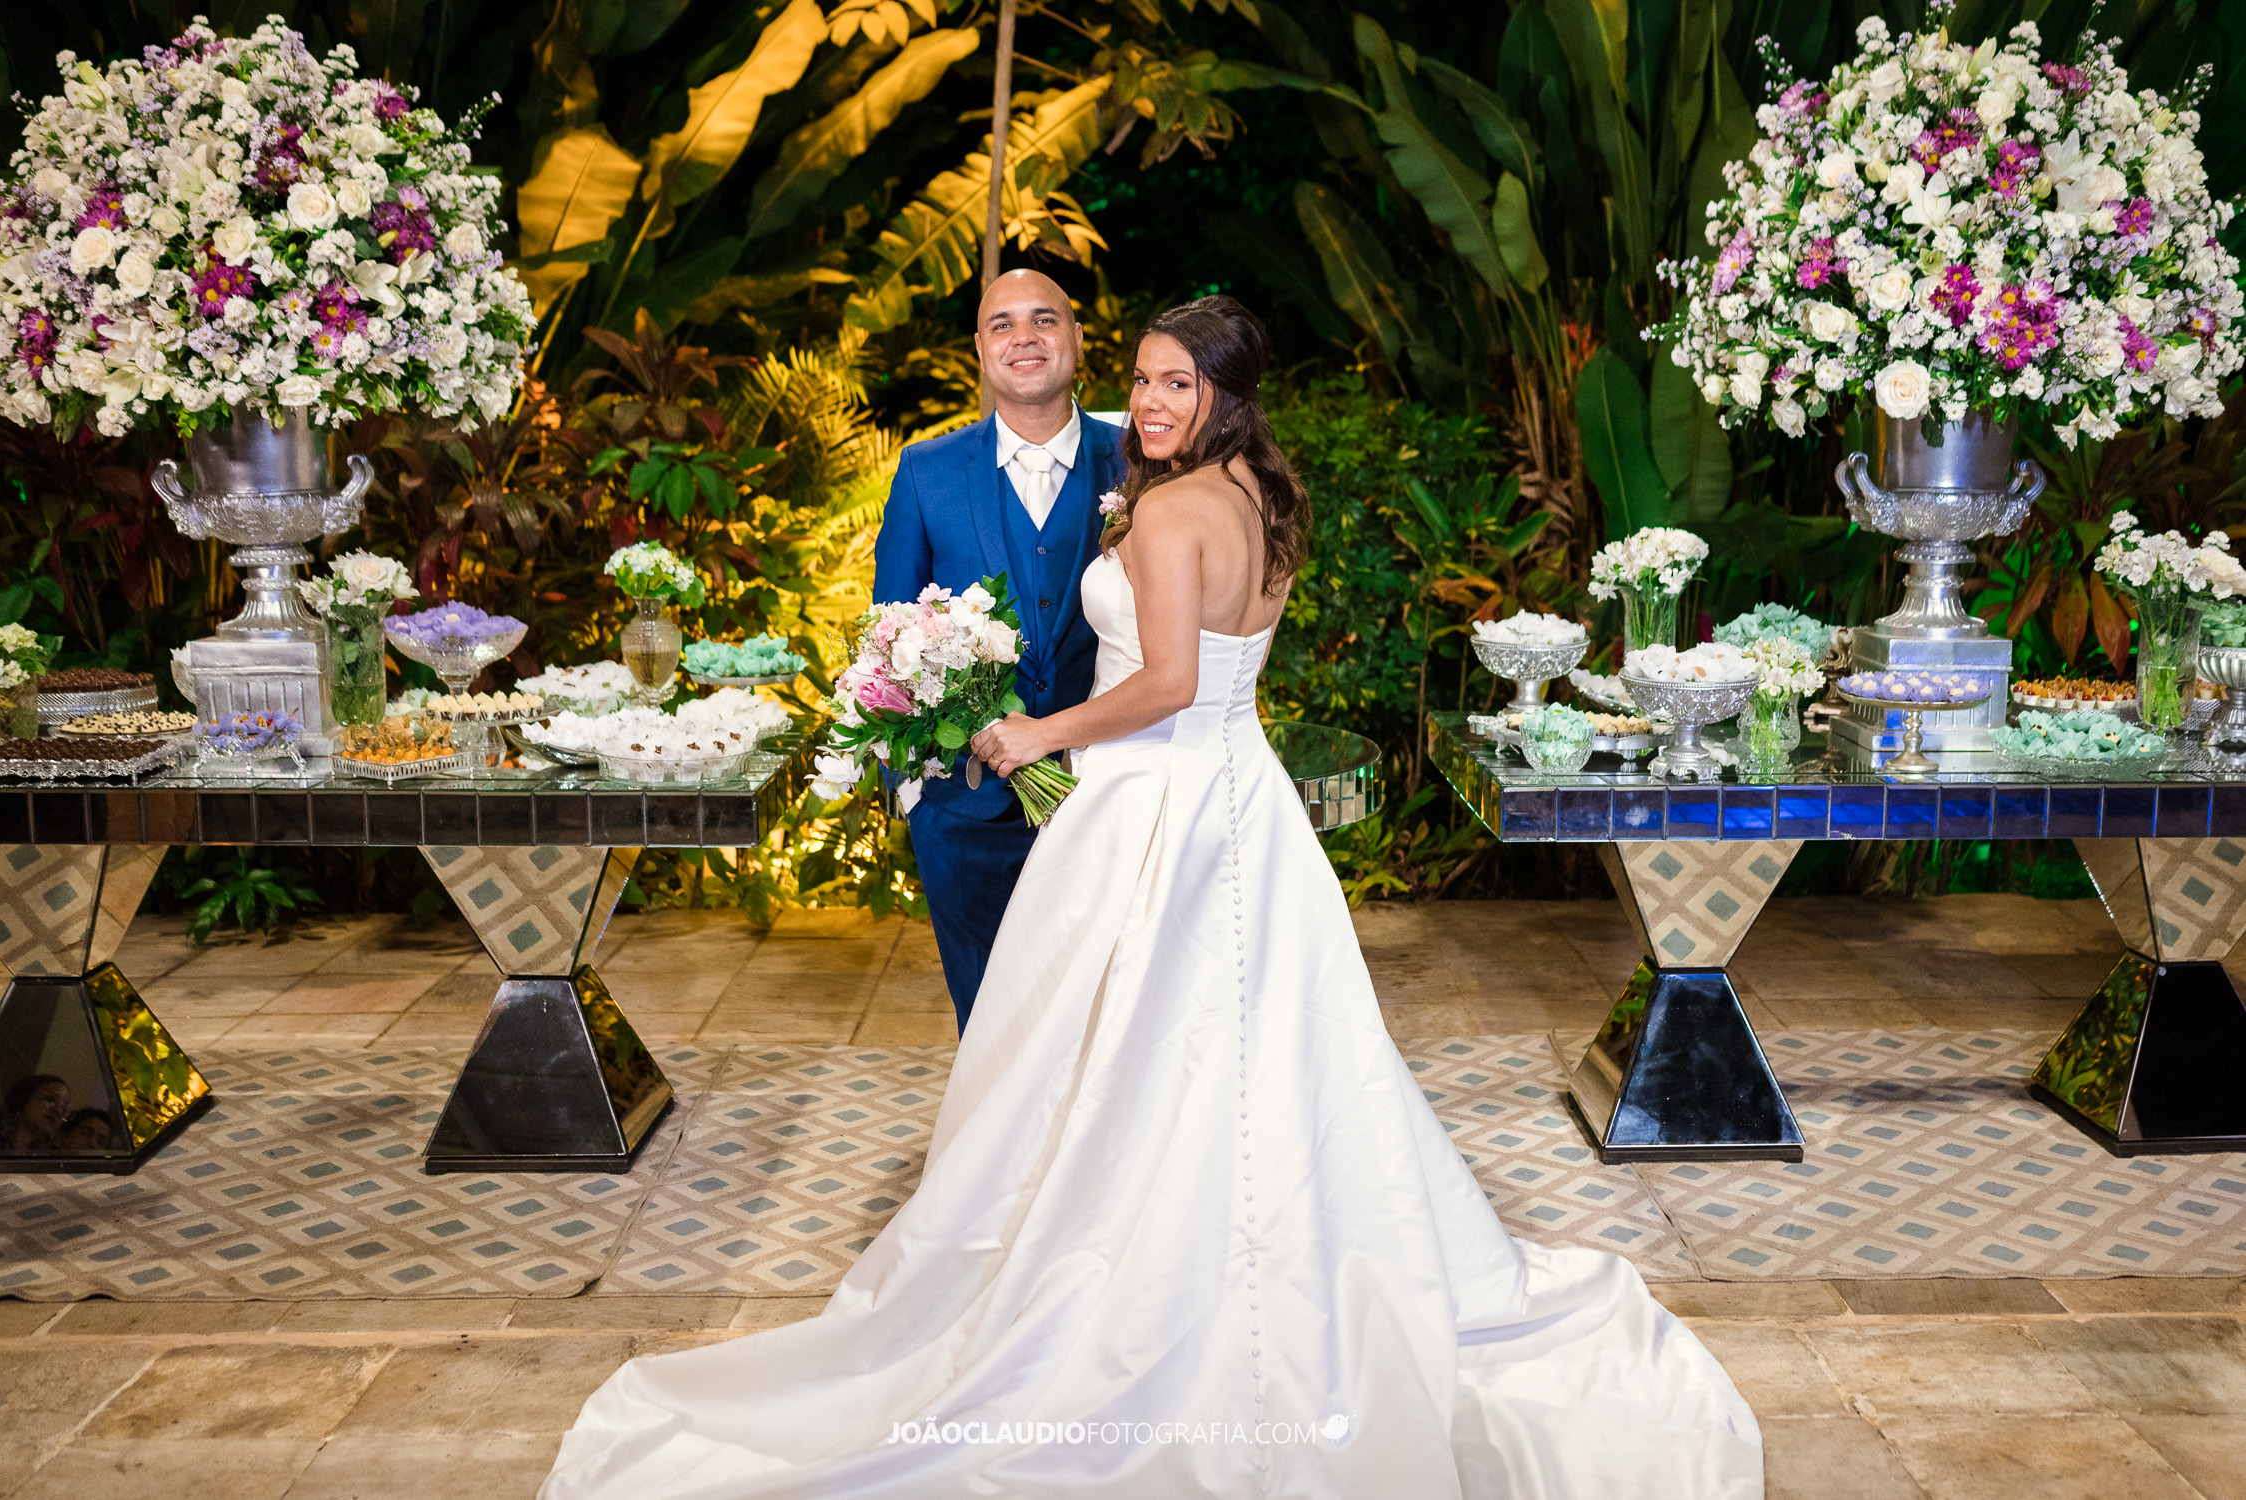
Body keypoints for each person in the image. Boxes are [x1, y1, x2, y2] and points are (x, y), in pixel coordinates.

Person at [542, 297, 1760, 1499]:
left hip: (1158, 800)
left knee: (1127, 1051)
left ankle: (1136, 1275)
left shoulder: (1173, 511)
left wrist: (1039, 734)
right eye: (1143, 379)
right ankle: (1229, 1247)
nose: (1151, 400)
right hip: (1241, 793)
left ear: (1227, 393)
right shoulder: (1259, 497)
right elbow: (1217, 675)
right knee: (1243, 1051)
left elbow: (1170, 682)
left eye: (1179, 382)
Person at [869, 268, 1126, 1032]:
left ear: (1076, 338)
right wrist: (912, 791)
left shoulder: (1140, 462)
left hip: (1110, 796)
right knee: (989, 1026)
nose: (1024, 338)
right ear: (980, 349)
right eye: (1001, 324)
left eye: (1044, 319)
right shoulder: (927, 471)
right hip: (963, 806)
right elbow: (887, 632)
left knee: (1105, 1020)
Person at [3, 1074, 70, 1152]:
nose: (58, 1111)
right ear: (24, 1098)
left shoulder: (52, 1157)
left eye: (65, 1109)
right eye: (50, 1099)